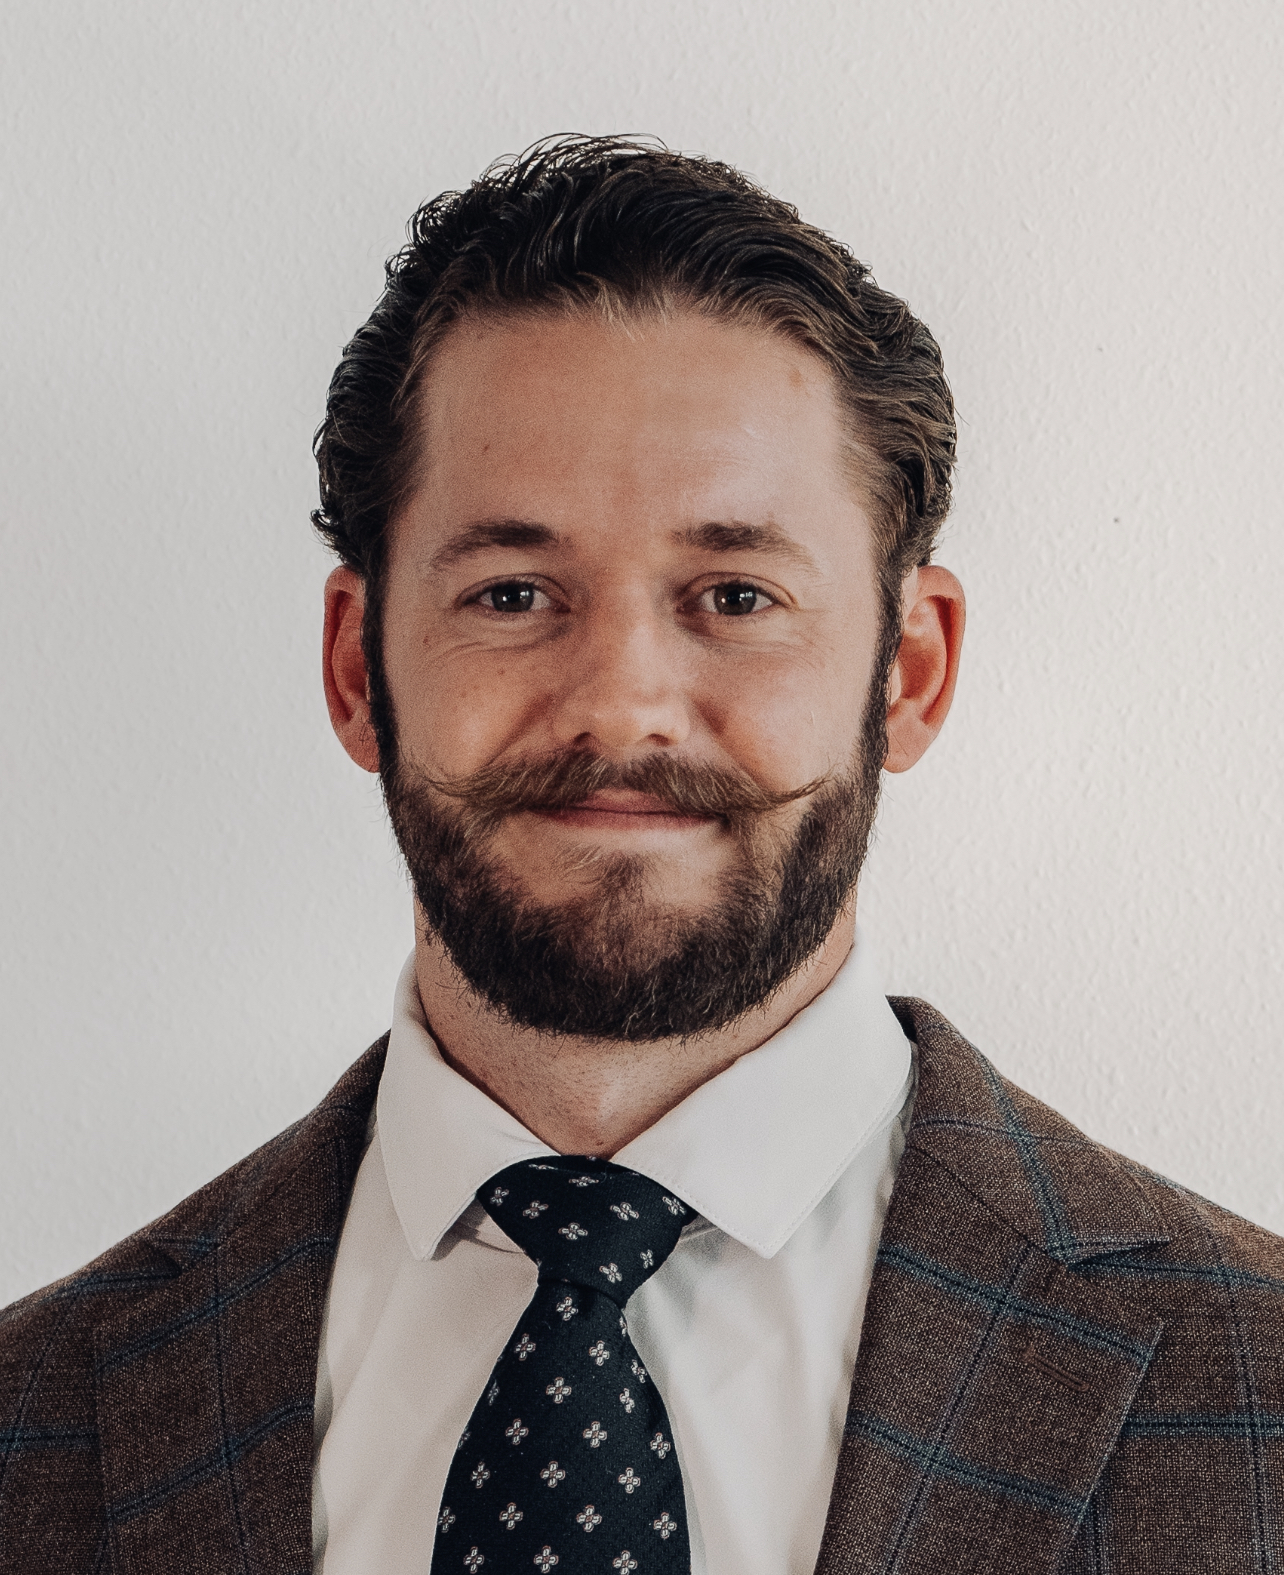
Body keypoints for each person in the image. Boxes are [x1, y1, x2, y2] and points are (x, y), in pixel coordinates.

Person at [1, 136, 1281, 1575]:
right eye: (512, 593)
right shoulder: (31, 1414)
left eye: (734, 595)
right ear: (358, 670)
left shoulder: (1257, 1384)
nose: (620, 706)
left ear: (911, 672)